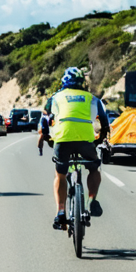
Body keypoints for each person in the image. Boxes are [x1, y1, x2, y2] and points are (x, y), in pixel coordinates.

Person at [40, 67, 111, 230]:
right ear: (82, 83)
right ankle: (92, 199)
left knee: (60, 175)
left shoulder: (55, 97)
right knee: (94, 168)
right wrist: (100, 138)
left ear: (64, 82)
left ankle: (60, 211)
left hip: (62, 139)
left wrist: (46, 137)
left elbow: (44, 120)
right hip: (85, 140)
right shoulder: (92, 99)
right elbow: (104, 122)